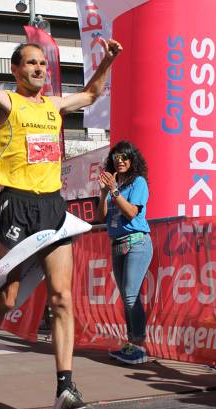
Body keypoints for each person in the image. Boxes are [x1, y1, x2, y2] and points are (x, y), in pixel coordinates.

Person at [0, 18, 122, 409]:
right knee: (8, 297)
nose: (39, 69)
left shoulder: (55, 105)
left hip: (53, 206)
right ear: (16, 70)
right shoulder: (5, 103)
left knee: (62, 298)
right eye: (31, 64)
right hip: (15, 205)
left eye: (43, 64)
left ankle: (65, 388)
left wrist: (106, 60)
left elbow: (92, 92)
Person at [96, 140, 153, 364]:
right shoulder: (112, 186)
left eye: (124, 157)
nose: (119, 161)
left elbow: (131, 213)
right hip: (117, 244)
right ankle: (132, 344)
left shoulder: (138, 182)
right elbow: (101, 217)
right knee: (127, 298)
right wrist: (103, 194)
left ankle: (139, 346)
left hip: (137, 243)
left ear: (132, 160)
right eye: (116, 157)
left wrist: (113, 190)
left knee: (131, 296)